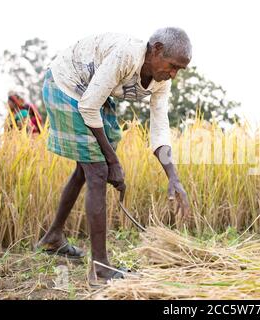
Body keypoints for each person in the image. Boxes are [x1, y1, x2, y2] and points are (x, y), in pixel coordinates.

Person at [36, 27, 192, 285]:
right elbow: (88, 106)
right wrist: (113, 162)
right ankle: (100, 268)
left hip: (93, 93)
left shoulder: (161, 81)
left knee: (86, 168)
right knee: (97, 171)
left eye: (179, 70)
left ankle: (53, 237)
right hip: (66, 84)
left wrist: (173, 177)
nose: (173, 74)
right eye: (172, 66)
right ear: (156, 50)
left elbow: (160, 129)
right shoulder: (126, 55)